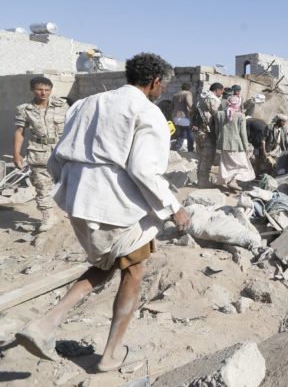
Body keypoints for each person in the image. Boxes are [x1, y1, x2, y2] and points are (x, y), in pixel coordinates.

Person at [15, 53, 191, 371]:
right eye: (163, 84)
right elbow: (143, 169)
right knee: (133, 271)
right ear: (154, 82)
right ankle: (110, 355)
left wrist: (73, 189)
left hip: (78, 201)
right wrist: (174, 208)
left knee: (106, 264)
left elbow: (56, 158)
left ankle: (44, 325)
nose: (163, 90)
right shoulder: (147, 112)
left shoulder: (86, 103)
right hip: (117, 206)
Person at [13, 77, 70, 232]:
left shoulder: (62, 106)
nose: (43, 93)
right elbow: (19, 132)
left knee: (69, 182)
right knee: (41, 184)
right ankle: (48, 216)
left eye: (47, 90)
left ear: (51, 90)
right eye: (39, 89)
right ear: (33, 90)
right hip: (39, 152)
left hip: (62, 150)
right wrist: (16, 154)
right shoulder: (24, 109)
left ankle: (70, 212)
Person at [216, 95, 255, 190]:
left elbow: (217, 131)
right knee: (245, 167)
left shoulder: (219, 114)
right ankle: (234, 181)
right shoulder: (240, 116)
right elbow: (243, 134)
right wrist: (246, 148)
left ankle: (227, 183)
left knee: (227, 166)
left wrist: (220, 141)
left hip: (224, 145)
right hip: (237, 146)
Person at [195, 82, 224, 187]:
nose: (222, 94)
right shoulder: (213, 99)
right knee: (207, 157)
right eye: (221, 91)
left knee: (201, 157)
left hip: (200, 131)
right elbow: (218, 116)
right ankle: (203, 182)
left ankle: (200, 180)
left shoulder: (202, 97)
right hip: (208, 133)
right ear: (217, 90)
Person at [171, 83, 194, 152]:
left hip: (175, 117)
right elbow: (190, 104)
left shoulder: (175, 95)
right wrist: (194, 111)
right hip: (183, 117)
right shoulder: (188, 93)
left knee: (181, 134)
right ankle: (190, 149)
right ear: (189, 88)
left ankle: (177, 149)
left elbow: (172, 106)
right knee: (189, 133)